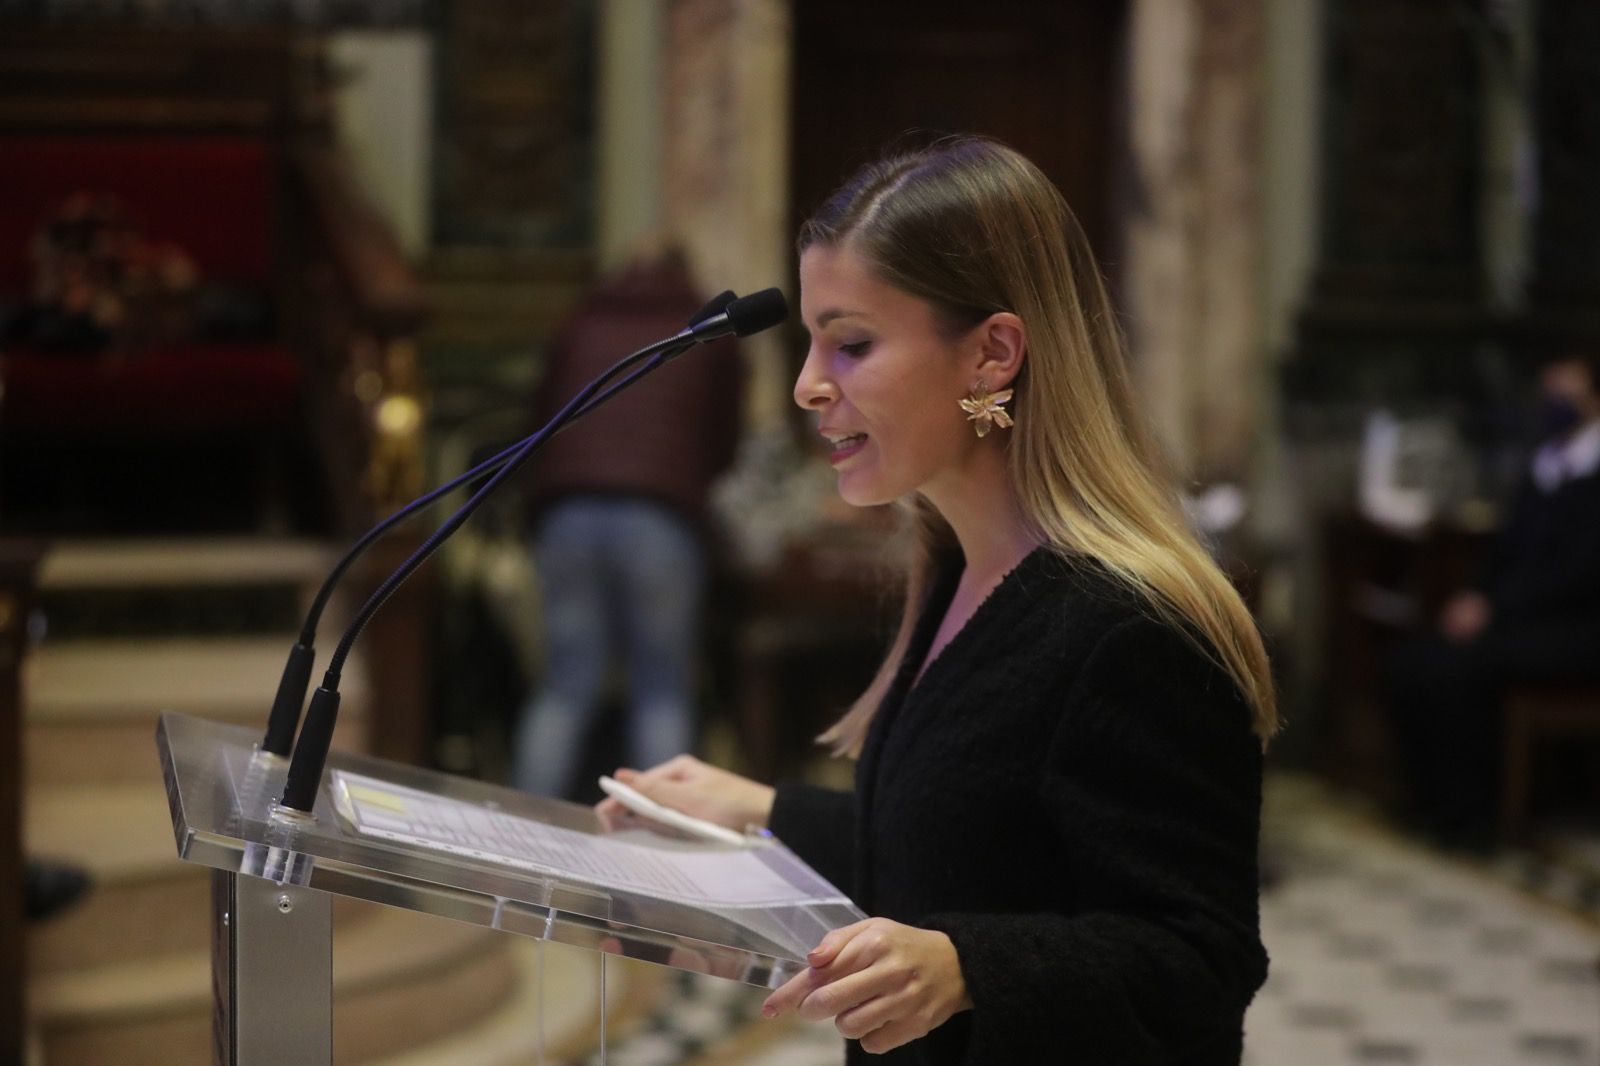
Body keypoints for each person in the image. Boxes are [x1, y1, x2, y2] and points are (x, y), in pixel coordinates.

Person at [598, 137, 1277, 1065]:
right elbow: (967, 845)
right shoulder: (960, 570)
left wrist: (968, 968)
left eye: (853, 343)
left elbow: (1201, 960)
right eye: (811, 341)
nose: (806, 385)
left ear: (993, 354)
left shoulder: (1131, 629)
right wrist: (758, 810)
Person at [513, 244, 744, 798]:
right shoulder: (708, 330)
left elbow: (540, 417)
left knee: (566, 686)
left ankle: (517, 841)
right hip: (659, 517)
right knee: (660, 689)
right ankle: (656, 850)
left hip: (568, 510)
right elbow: (724, 441)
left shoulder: (581, 321)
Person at [1387, 350, 1600, 847]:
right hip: (1518, 617)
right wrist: (1475, 595)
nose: (1553, 401)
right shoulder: (1546, 463)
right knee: (1413, 662)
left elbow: (1579, 573)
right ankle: (1430, 804)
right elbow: (1505, 550)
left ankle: (1474, 817)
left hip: (1575, 627)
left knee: (1463, 669)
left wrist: (1494, 609)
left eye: (1566, 391)